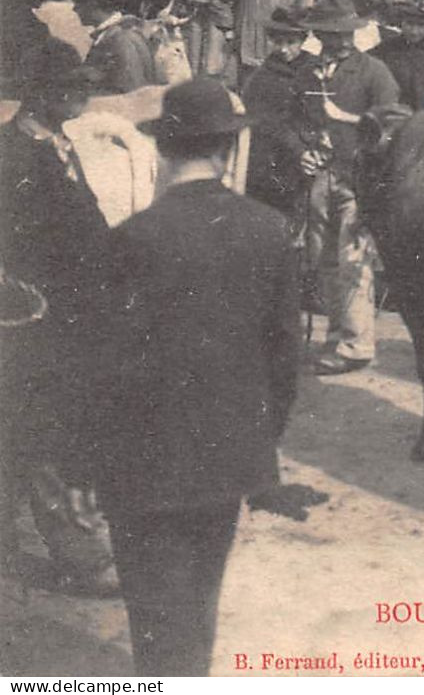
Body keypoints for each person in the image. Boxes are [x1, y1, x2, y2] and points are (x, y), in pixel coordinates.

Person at [92, 79, 304, 675]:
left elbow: (106, 364)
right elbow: (285, 357)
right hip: (229, 456)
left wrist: (92, 457)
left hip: (145, 462)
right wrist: (261, 442)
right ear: (227, 151)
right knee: (200, 603)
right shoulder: (269, 229)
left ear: (164, 150)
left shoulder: (132, 238)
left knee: (153, 616)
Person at [0, 42, 117, 595]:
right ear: (42, 92)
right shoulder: (11, 156)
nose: (85, 93)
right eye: (74, 85)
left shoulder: (56, 143)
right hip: (31, 320)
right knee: (41, 431)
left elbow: (84, 227)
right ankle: (81, 557)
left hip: (69, 313)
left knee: (28, 433)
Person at [293, 0, 400, 376]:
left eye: (345, 34)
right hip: (319, 176)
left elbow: (390, 125)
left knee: (353, 259)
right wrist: (303, 151)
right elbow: (297, 121)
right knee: (323, 259)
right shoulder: (305, 73)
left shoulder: (375, 72)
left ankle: (357, 345)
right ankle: (335, 335)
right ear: (318, 35)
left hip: (359, 178)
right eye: (331, 35)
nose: (340, 41)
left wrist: (346, 118)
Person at [238, 9, 312, 217]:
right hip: (275, 158)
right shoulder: (261, 78)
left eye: (291, 42)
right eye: (278, 42)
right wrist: (299, 150)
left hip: (311, 154)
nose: (284, 49)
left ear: (303, 40)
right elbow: (267, 123)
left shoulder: (315, 69)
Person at [72, 0, 159, 94]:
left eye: (78, 3)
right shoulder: (125, 32)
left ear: (93, 2)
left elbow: (130, 96)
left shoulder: (119, 40)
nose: (74, 9)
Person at [370, 0, 424, 110]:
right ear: (401, 22)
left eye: (421, 25)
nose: (414, 31)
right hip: (392, 110)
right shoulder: (386, 48)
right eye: (410, 23)